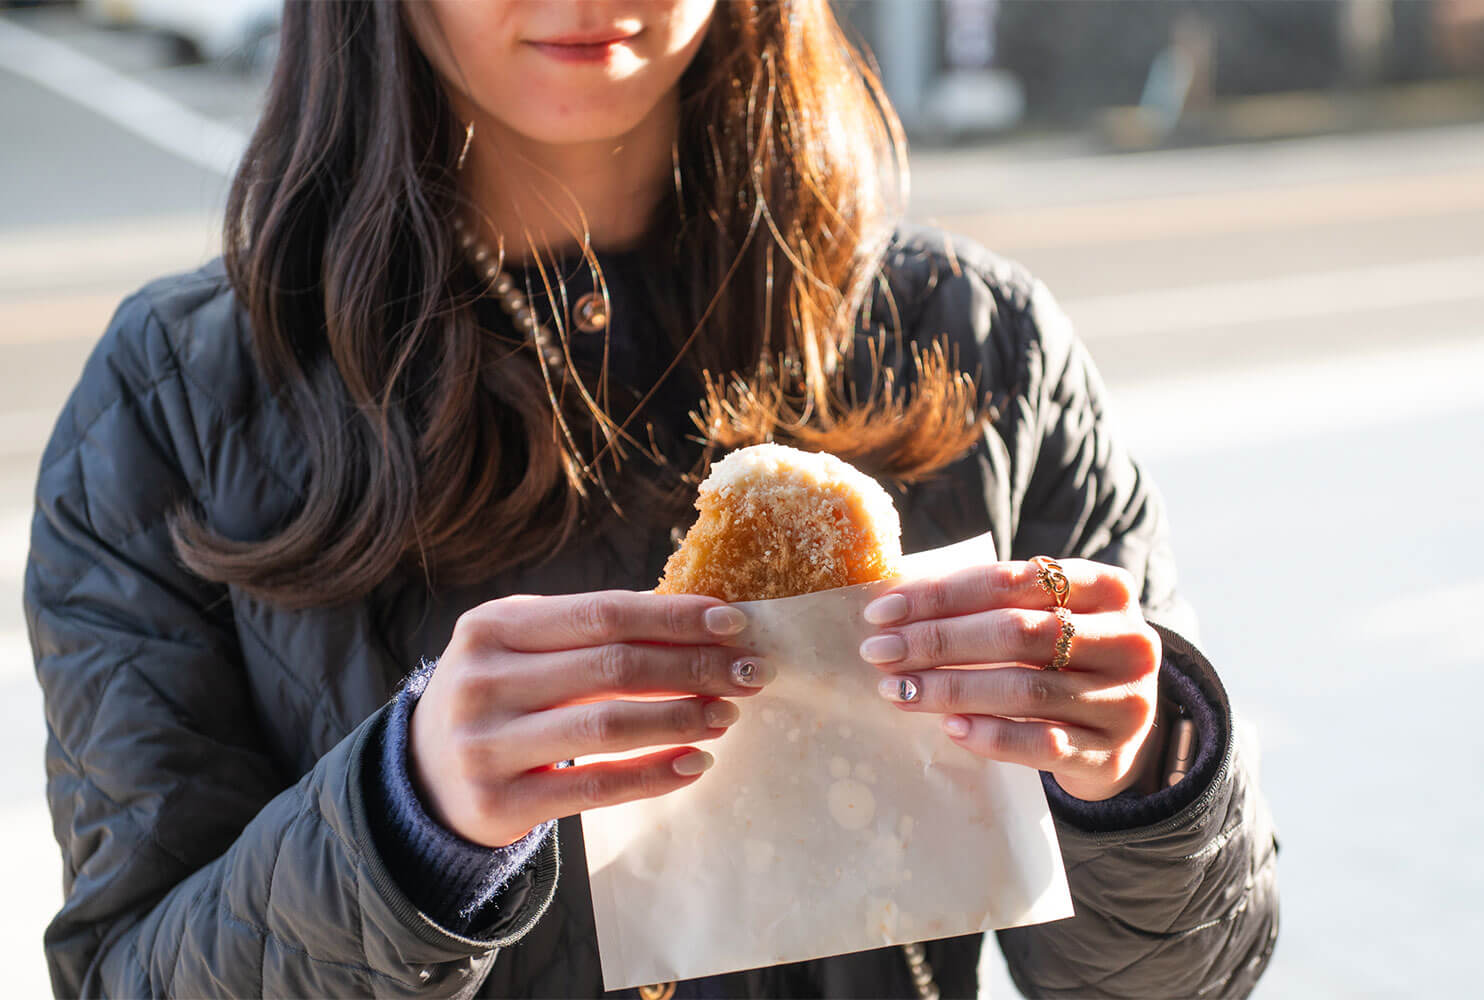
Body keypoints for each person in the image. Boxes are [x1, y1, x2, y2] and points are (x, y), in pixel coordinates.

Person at [25, 2, 1278, 997]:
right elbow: (127, 966)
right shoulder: (175, 402)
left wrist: (1138, 771)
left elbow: (1187, 975)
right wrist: (412, 821)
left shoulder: (973, 340)